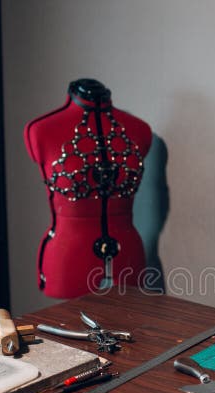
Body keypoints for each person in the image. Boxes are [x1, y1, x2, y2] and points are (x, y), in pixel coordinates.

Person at [24, 79, 152, 298]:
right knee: (66, 329)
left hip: (128, 254)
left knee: (132, 326)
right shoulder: (40, 130)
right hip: (68, 255)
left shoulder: (140, 129)